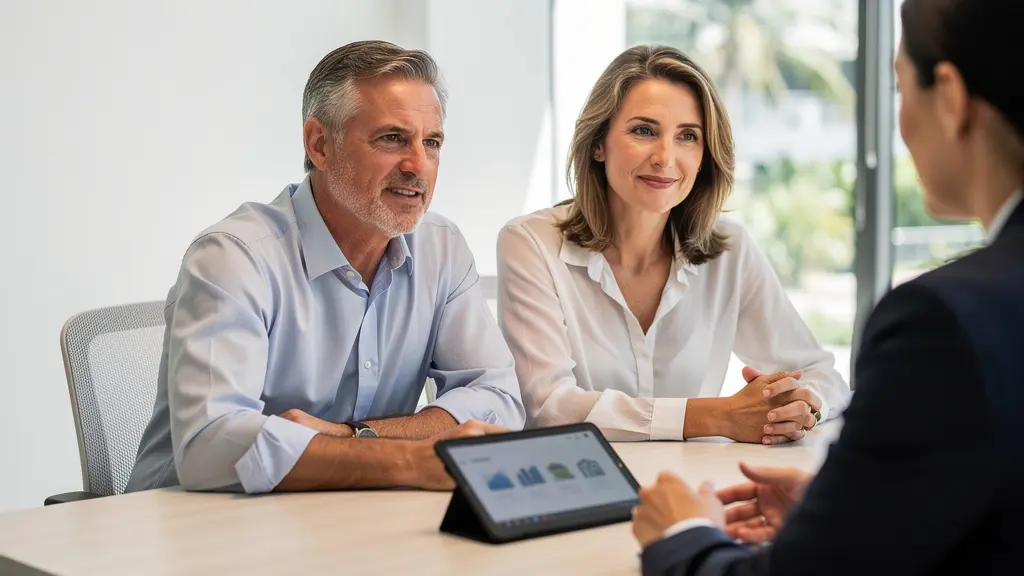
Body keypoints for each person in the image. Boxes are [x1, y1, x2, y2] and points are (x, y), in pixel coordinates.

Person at [631, 0, 1024, 573]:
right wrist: (851, 517)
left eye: (897, 90)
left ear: (950, 96)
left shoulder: (944, 321)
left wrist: (681, 533)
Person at [125, 40, 524, 495]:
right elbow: (211, 445)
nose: (419, 166)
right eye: (392, 138)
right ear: (319, 144)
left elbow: (499, 398)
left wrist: (357, 438)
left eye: (431, 143)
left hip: (349, 516)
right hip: (197, 526)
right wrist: (407, 459)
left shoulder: (442, 246)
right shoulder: (234, 257)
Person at [496, 45, 848, 445]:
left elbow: (820, 374)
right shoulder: (530, 243)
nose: (666, 157)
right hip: (576, 491)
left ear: (704, 155)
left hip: (696, 491)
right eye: (643, 130)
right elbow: (548, 407)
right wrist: (718, 416)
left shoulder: (730, 249)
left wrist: (800, 405)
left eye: (687, 136)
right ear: (598, 144)